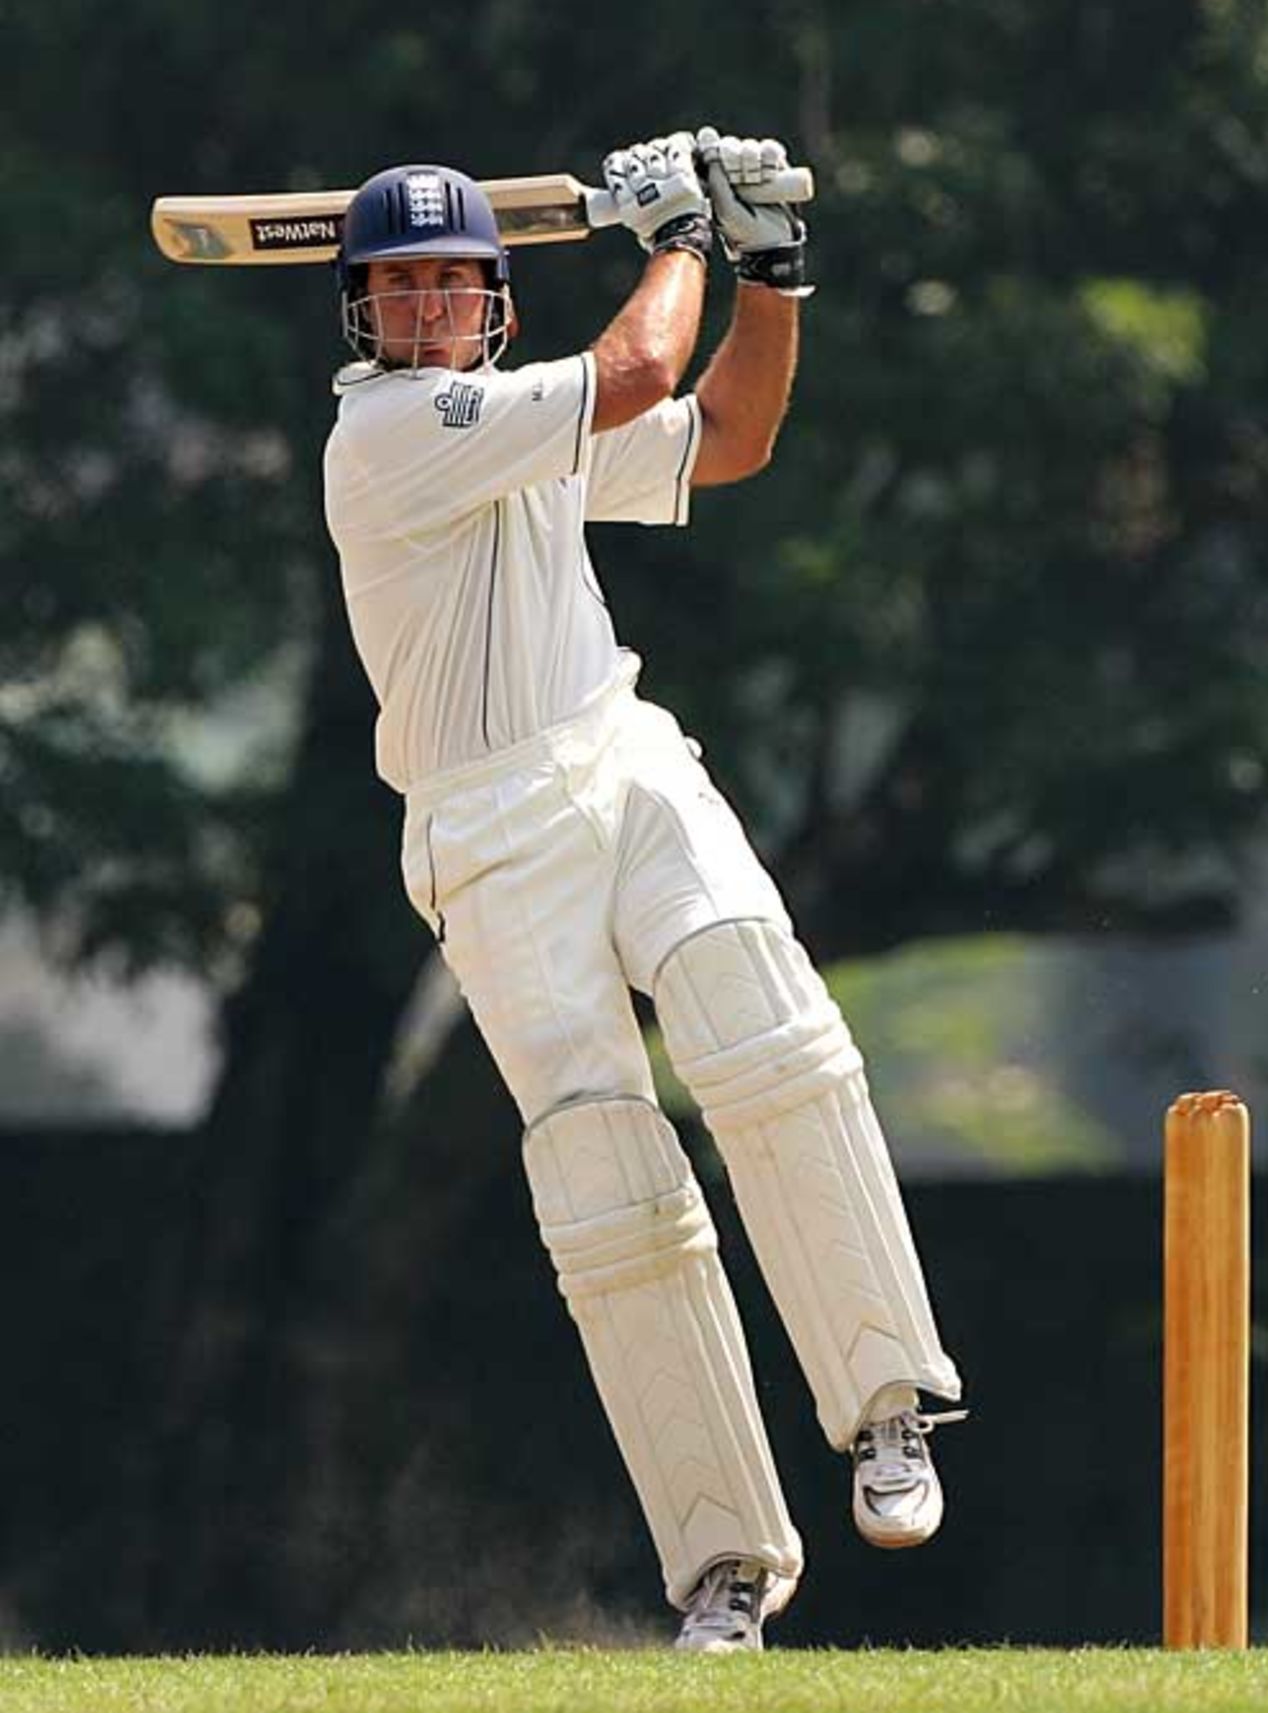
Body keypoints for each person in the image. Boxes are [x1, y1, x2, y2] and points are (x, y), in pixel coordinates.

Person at [322, 129, 965, 1652]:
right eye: (401, 287)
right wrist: (677, 236)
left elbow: (724, 434)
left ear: (493, 297)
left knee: (765, 1022)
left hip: (619, 755)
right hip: (486, 834)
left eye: (451, 282)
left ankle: (888, 1402)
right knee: (609, 1179)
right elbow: (633, 371)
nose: (427, 308)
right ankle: (728, 1563)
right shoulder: (391, 434)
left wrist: (770, 275)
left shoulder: (522, 424)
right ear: (363, 312)